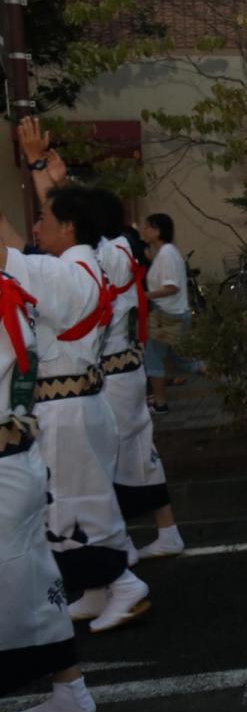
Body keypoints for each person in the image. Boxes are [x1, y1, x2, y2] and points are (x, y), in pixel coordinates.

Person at [0, 188, 151, 634]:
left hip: (68, 409)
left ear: (69, 227)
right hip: (79, 402)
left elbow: (8, 256)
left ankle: (122, 582)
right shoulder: (85, 264)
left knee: (75, 506)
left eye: (43, 217)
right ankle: (94, 590)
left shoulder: (65, 272)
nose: (35, 227)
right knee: (76, 502)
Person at [0, 243, 97, 712]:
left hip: (7, 464)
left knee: (25, 581)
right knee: (34, 579)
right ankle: (70, 688)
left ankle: (70, 689)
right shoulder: (14, 286)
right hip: (16, 457)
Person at [94, 190, 184, 560]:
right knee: (136, 456)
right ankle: (163, 532)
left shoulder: (108, 253)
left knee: (109, 459)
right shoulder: (120, 251)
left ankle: (123, 543)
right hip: (121, 370)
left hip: (116, 372)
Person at [143, 213, 191, 414]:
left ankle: (160, 403)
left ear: (157, 230)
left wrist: (144, 295)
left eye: (148, 227)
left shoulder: (167, 253)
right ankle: (210, 368)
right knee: (175, 359)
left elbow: (171, 287)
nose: (145, 231)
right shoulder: (164, 253)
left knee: (153, 358)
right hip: (170, 313)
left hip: (169, 315)